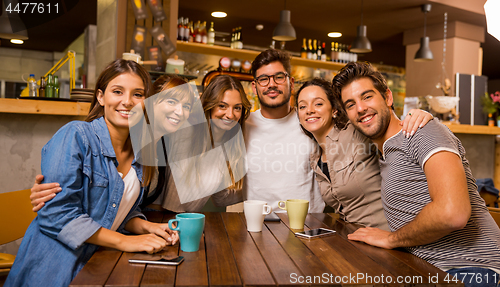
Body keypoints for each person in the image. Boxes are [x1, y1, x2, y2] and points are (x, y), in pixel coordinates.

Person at [5, 59, 178, 287]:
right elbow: (56, 215)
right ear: (100, 97)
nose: (127, 102)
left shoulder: (141, 152)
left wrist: (150, 227)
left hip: (100, 266)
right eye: (117, 91)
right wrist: (126, 242)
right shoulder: (76, 135)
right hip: (54, 268)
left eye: (138, 94)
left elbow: (118, 208)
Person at [334, 62, 500, 286]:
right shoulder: (385, 153)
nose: (360, 108)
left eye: (367, 96)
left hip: (473, 270)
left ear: (388, 97)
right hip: (425, 270)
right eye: (351, 104)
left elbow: (453, 213)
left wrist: (392, 239)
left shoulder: (422, 130)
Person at [30, 75, 247, 213]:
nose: (179, 112)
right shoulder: (124, 138)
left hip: (133, 229)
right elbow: (84, 197)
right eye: (171, 102)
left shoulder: (164, 139)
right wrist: (56, 186)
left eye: (186, 106)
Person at [295, 78, 432, 230]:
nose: (309, 110)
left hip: (392, 234)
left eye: (318, 103)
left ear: (334, 109)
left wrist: (418, 115)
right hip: (354, 238)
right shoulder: (315, 156)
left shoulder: (354, 131)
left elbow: (385, 123)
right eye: (302, 106)